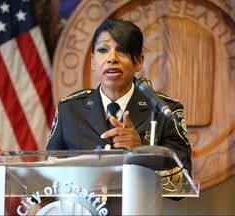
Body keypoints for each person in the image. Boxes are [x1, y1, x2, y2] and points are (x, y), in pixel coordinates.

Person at [46, 18, 192, 213]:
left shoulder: (164, 110)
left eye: (122, 50)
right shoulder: (70, 110)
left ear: (139, 61)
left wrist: (142, 152)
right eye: (103, 50)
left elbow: (181, 185)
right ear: (92, 61)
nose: (112, 58)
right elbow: (47, 178)